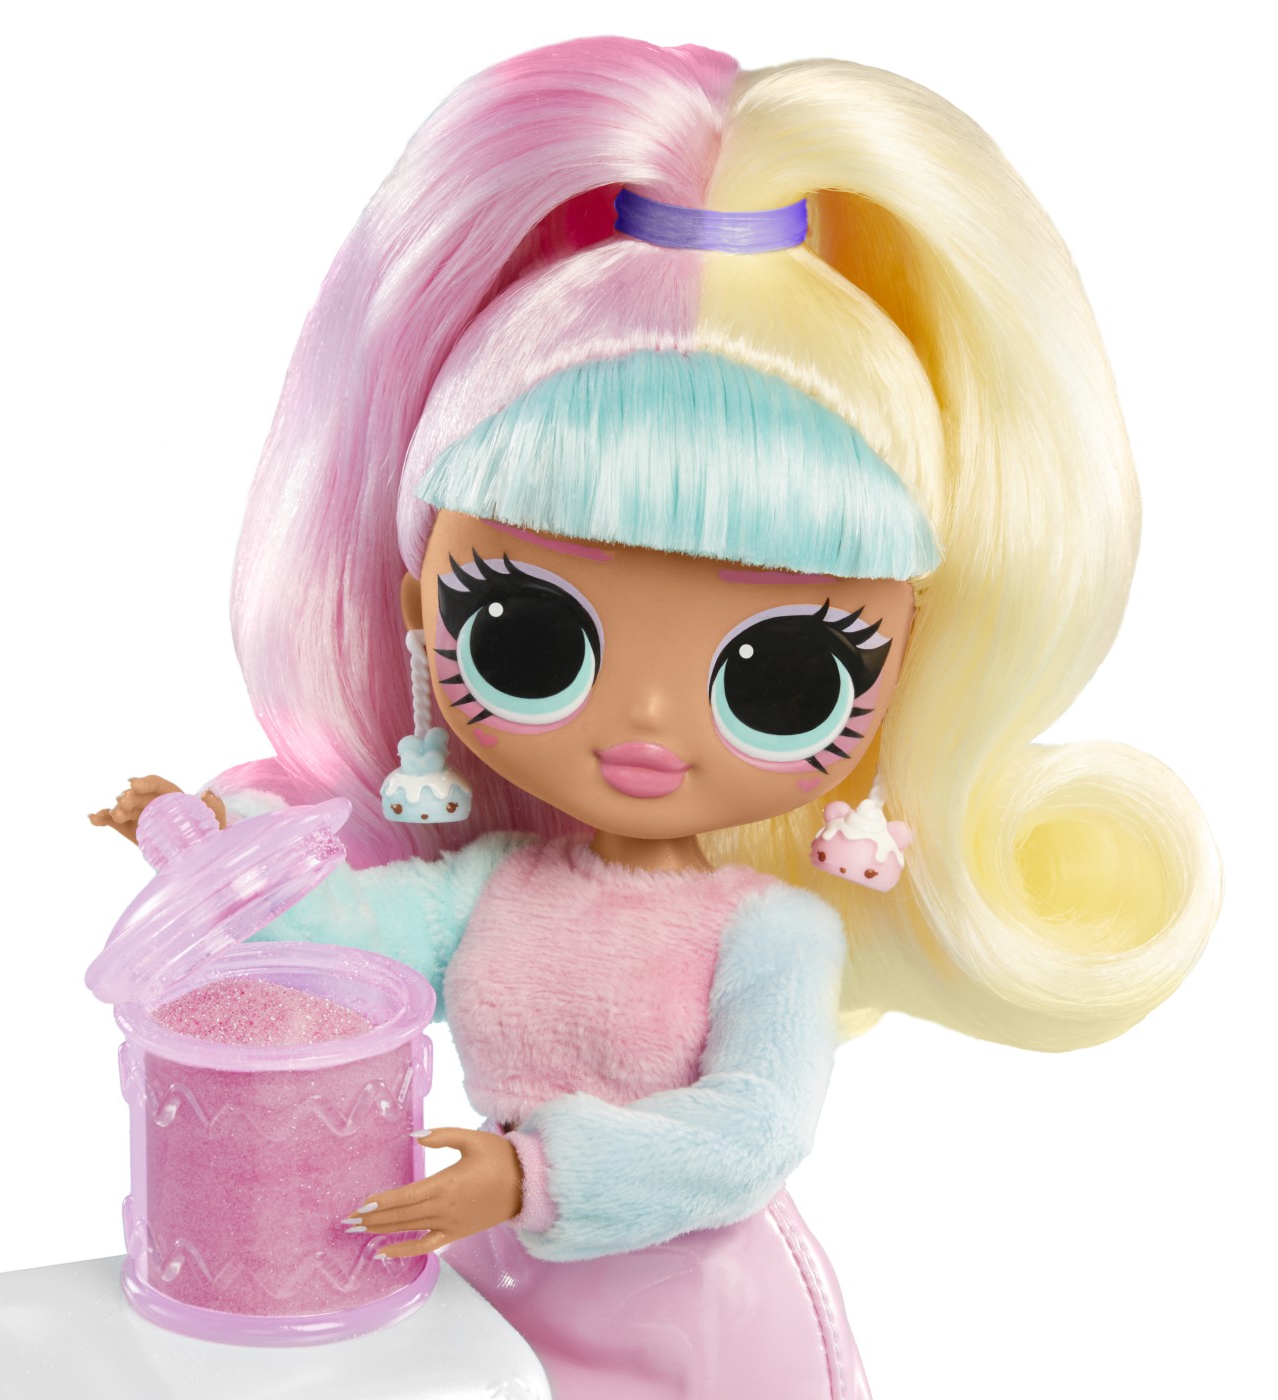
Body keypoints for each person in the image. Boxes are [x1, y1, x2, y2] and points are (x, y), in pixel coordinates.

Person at [92, 37, 1220, 1398]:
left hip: (701, 1321)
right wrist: (200, 844)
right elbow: (330, 944)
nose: (641, 719)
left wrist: (537, 1173)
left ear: (906, 659)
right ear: (419, 609)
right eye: (527, 634)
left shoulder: (772, 933)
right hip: (490, 1288)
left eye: (781, 672)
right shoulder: (482, 893)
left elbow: (752, 1131)